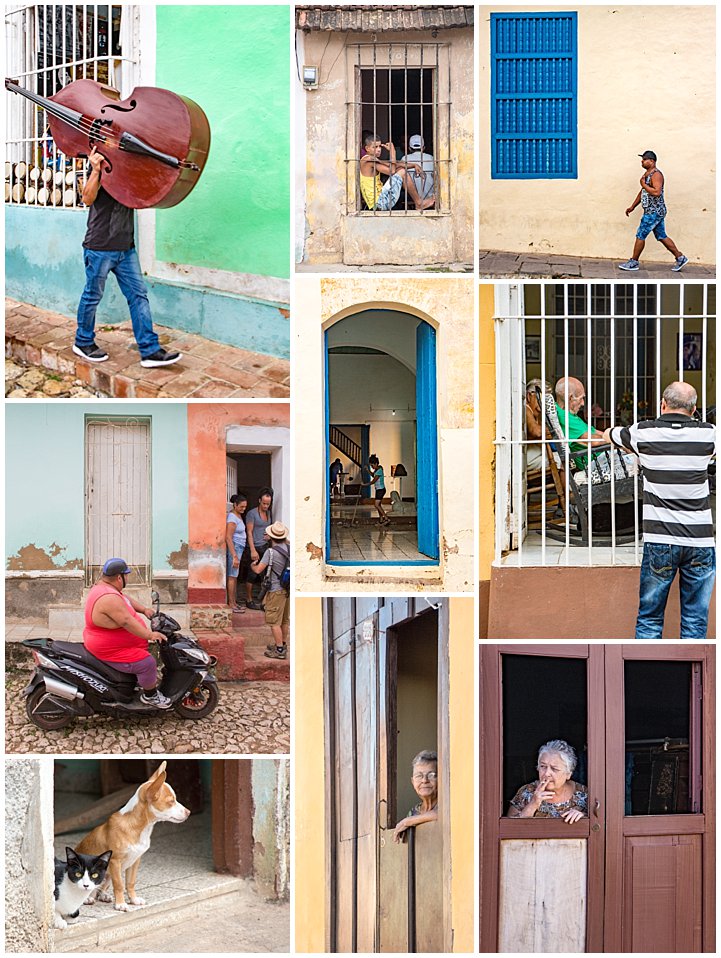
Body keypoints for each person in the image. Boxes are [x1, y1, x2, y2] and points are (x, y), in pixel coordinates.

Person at [604, 381, 716, 639]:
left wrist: (614, 435)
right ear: (694, 409)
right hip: (700, 541)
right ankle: (692, 676)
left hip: (660, 541)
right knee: (695, 621)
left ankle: (645, 675)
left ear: (662, 405)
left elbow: (610, 434)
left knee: (649, 619)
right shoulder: (709, 434)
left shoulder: (643, 432)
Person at [74, 146, 181, 367]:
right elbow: (87, 198)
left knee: (138, 295)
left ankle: (150, 351)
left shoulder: (130, 174)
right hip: (99, 247)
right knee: (92, 295)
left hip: (126, 248)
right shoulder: (102, 169)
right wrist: (95, 170)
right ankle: (83, 342)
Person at [82, 557, 171, 708]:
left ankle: (134, 683)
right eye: (126, 575)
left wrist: (144, 610)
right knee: (147, 662)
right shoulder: (108, 598)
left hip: (108, 644)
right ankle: (151, 697)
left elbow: (126, 599)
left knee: (143, 659)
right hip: (109, 649)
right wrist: (150, 635)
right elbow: (126, 621)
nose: (127, 578)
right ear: (119, 577)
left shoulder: (105, 588)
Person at [619, 150, 688, 273]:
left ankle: (633, 262)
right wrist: (633, 206)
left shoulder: (656, 175)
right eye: (642, 159)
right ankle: (680, 257)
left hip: (654, 212)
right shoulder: (647, 174)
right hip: (654, 211)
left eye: (645, 159)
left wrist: (643, 185)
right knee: (661, 236)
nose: (642, 161)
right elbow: (643, 192)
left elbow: (656, 192)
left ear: (652, 161)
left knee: (640, 234)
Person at [507, 740, 587, 824]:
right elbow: (508, 828)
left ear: (568, 774)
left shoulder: (583, 794)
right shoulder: (526, 792)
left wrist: (584, 817)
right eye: (543, 766)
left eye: (554, 769)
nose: (547, 773)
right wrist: (533, 804)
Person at [359, 132, 435, 212]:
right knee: (402, 172)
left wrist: (413, 165)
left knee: (400, 169)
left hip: (379, 201)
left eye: (379, 146)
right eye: (375, 147)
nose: (379, 149)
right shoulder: (368, 160)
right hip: (379, 203)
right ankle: (419, 203)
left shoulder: (373, 160)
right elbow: (392, 170)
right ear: (367, 148)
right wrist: (393, 151)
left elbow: (394, 164)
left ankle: (419, 202)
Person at [250, 521, 290, 660]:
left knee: (273, 622)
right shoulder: (288, 548)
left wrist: (252, 566)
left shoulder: (270, 552)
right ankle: (282, 645)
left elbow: (259, 570)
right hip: (287, 590)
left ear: (272, 537)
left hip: (275, 590)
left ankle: (279, 650)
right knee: (284, 620)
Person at [554, 377, 608, 468]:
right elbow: (594, 441)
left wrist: (617, 435)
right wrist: (617, 438)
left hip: (602, 457)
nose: (583, 403)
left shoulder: (570, 414)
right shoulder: (564, 417)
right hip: (596, 463)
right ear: (570, 398)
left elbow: (597, 432)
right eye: (581, 398)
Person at [393, 750, 439, 843]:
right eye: (419, 776)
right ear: (412, 781)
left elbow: (442, 814)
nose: (424, 780)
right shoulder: (413, 812)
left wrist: (407, 821)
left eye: (431, 775)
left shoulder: (447, 802)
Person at [243, 487, 274, 610]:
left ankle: (263, 601)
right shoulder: (252, 514)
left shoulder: (269, 513)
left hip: (265, 546)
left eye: (268, 504)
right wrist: (252, 550)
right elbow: (249, 532)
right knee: (252, 574)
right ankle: (249, 599)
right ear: (259, 500)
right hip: (254, 546)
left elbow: (269, 528)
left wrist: (270, 536)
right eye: (264, 503)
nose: (266, 506)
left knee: (265, 575)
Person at [225, 493, 247, 613]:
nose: (243, 509)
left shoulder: (238, 516)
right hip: (236, 548)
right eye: (241, 507)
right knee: (232, 576)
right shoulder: (232, 518)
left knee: (235, 575)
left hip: (239, 547)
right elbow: (228, 537)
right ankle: (231, 603)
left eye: (245, 507)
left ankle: (234, 602)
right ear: (235, 505)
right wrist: (234, 556)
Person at [400, 133, 435, 204]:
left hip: (411, 198)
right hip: (431, 197)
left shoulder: (405, 159)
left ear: (409, 148)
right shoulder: (432, 158)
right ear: (423, 148)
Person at [368, 454, 389, 525]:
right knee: (379, 505)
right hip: (378, 489)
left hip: (381, 490)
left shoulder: (379, 470)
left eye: (372, 465)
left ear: (376, 463)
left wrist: (364, 484)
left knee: (376, 505)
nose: (372, 467)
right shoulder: (377, 470)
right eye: (371, 466)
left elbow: (374, 481)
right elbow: (372, 475)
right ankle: (381, 519)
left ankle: (386, 518)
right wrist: (367, 470)